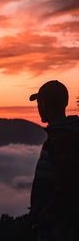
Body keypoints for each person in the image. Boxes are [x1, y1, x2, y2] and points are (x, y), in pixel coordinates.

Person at [29, 80, 79, 241]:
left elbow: (66, 188)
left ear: (44, 104)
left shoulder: (62, 140)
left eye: (38, 103)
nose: (38, 107)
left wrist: (45, 217)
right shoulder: (62, 136)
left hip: (57, 229)